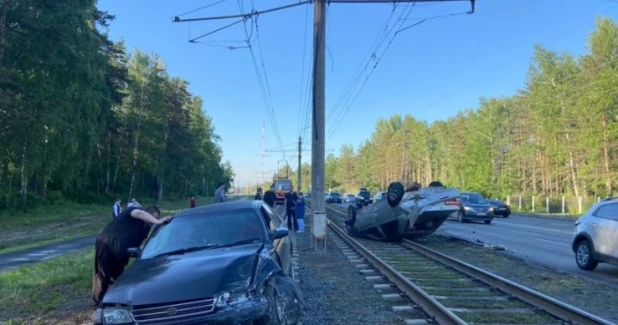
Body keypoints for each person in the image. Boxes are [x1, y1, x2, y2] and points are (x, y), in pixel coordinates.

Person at [91, 205, 172, 307]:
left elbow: (141, 242)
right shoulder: (132, 212)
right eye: (153, 218)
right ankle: (96, 305)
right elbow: (139, 213)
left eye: (155, 220)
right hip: (107, 245)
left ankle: (118, 303)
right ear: (147, 214)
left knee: (120, 279)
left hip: (122, 252)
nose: (153, 222)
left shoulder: (146, 227)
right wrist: (158, 222)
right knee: (103, 278)